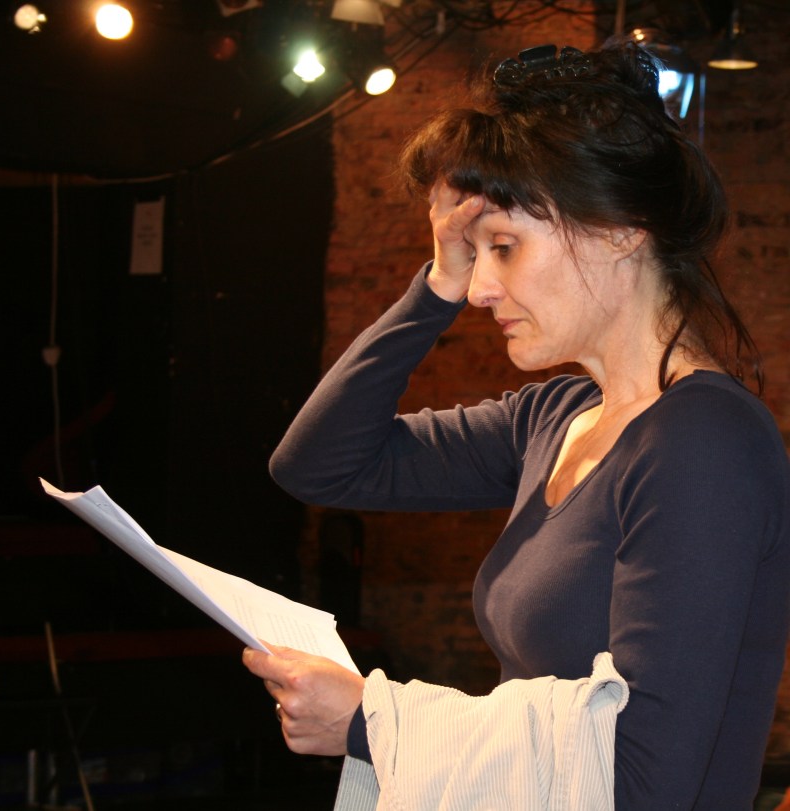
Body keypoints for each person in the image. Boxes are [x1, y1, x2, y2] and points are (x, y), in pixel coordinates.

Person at [243, 41, 790, 809]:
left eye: (503, 247)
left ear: (621, 230)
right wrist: (436, 284)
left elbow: (642, 780)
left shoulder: (704, 442)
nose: (480, 288)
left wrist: (375, 719)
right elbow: (319, 464)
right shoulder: (552, 417)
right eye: (475, 254)